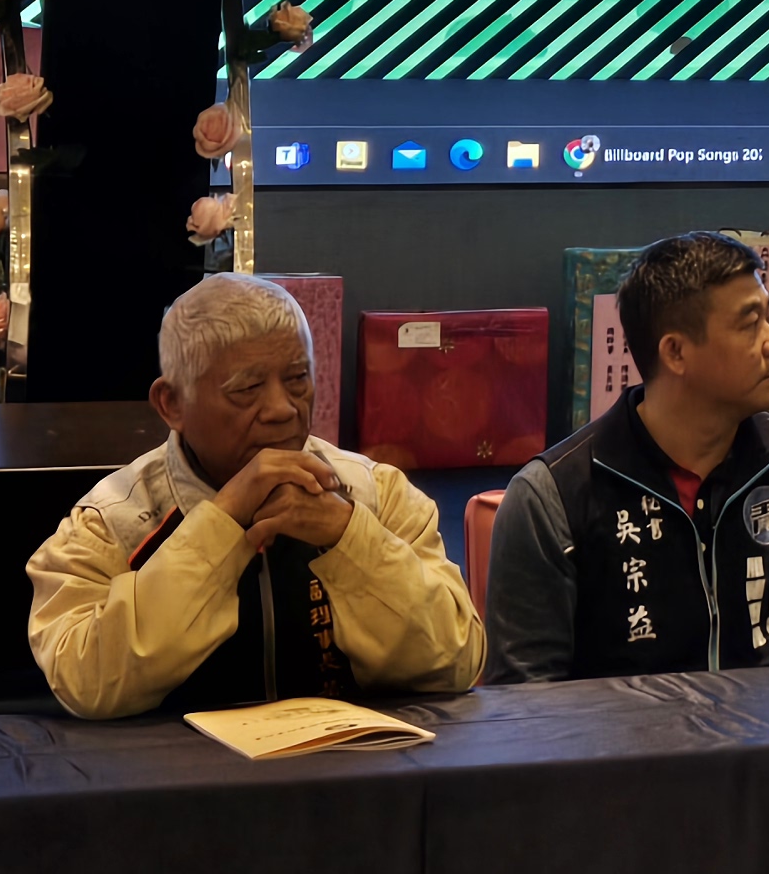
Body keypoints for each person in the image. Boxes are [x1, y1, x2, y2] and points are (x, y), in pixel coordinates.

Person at [27, 272, 482, 719]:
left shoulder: (376, 493)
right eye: (247, 389)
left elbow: (456, 661)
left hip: (349, 763)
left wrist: (349, 536)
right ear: (172, 404)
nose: (282, 409)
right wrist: (220, 524)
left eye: (298, 379)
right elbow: (86, 683)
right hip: (180, 767)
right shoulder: (111, 523)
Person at [486, 229, 769, 680]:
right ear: (675, 352)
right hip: (622, 729)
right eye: (749, 324)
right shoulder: (553, 495)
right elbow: (527, 693)